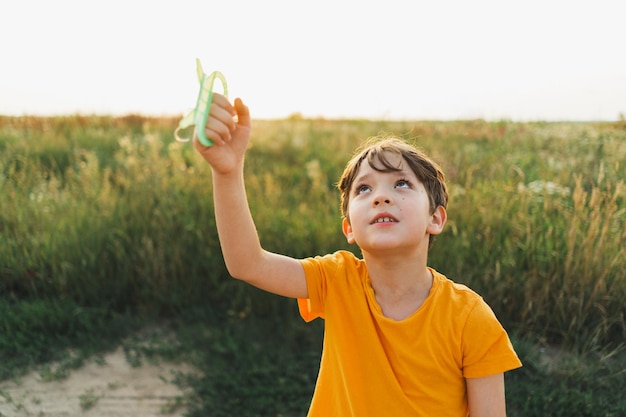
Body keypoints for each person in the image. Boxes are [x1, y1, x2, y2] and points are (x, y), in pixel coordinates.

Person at [194, 93, 522, 417]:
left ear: (435, 218)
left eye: (402, 184)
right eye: (364, 189)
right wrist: (227, 171)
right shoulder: (337, 279)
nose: (381, 197)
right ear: (349, 228)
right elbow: (248, 264)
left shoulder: (470, 318)